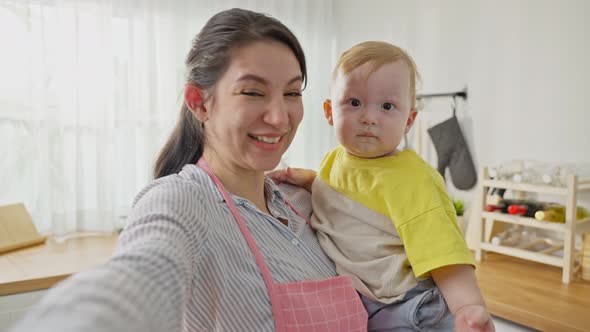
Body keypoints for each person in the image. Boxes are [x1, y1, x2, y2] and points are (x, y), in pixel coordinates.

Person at [10, 8, 368, 332]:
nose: (278, 117)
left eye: (291, 94)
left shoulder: (304, 202)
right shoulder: (182, 201)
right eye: (252, 92)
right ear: (200, 103)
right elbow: (136, 279)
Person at [270, 41, 495, 331]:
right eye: (354, 103)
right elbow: (349, 195)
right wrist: (312, 180)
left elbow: (444, 251)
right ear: (329, 111)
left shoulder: (413, 180)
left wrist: (467, 306)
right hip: (366, 302)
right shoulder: (334, 160)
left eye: (387, 106)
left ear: (409, 120)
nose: (368, 117)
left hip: (409, 306)